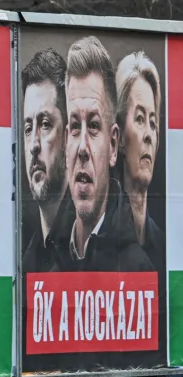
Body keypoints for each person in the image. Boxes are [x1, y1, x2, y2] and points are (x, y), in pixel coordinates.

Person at [52, 36, 153, 273]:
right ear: (66, 143)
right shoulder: (48, 269)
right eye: (76, 127)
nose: (83, 148)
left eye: (94, 126)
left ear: (114, 146)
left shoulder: (138, 271)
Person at [21, 47, 71, 274]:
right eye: (28, 128)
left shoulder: (92, 246)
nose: (33, 145)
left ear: (69, 136)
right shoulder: (26, 264)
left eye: (45, 125)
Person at [115, 51, 164, 272]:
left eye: (153, 123)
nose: (148, 134)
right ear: (120, 137)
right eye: (140, 119)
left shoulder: (166, 248)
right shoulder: (101, 243)